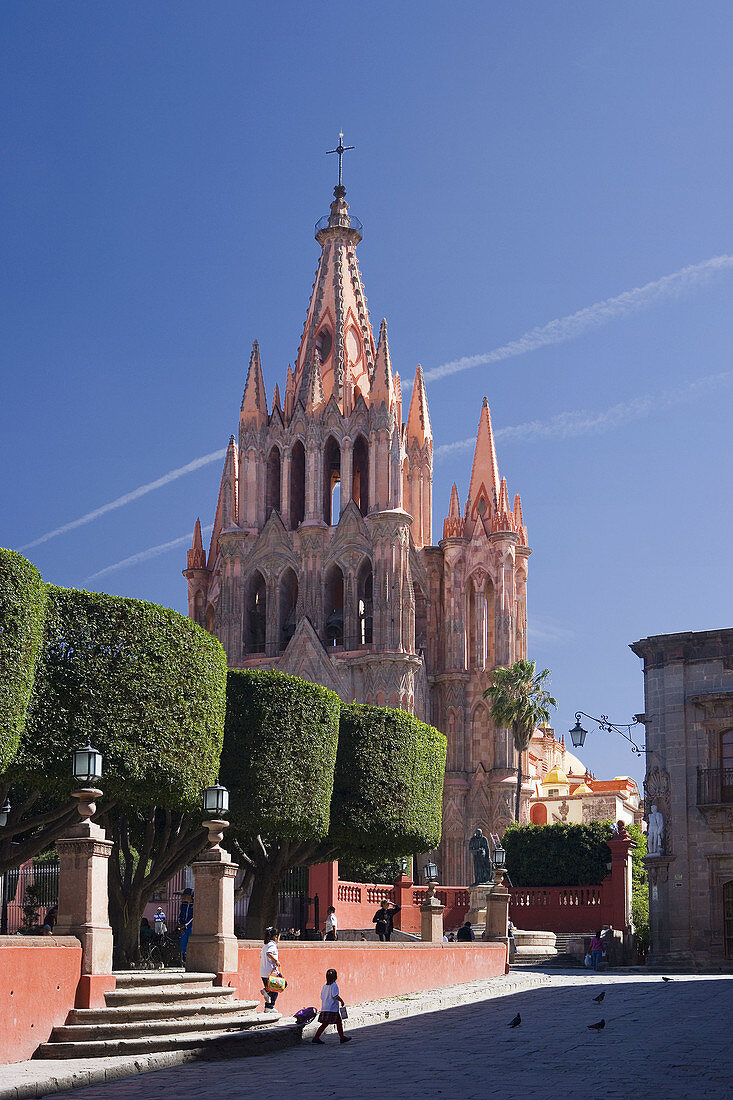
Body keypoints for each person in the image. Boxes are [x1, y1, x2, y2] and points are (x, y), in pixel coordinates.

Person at [312, 969, 351, 1045]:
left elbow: (321, 996)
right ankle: (342, 1037)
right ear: (335, 977)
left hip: (325, 1007)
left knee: (325, 1023)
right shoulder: (334, 985)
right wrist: (341, 1001)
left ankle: (316, 1037)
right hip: (332, 1008)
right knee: (338, 1022)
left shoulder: (324, 986)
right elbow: (335, 995)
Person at [260, 927, 283, 1011]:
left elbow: (261, 955)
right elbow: (269, 953)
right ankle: (265, 992)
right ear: (276, 936)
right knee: (276, 989)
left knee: (272, 991)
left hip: (263, 971)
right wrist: (276, 961)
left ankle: (268, 1007)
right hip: (270, 972)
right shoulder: (272, 945)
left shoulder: (265, 945)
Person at [177, 889, 194, 961]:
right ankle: (184, 957)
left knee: (191, 943)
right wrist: (180, 925)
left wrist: (186, 925)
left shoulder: (194, 905)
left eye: (185, 895)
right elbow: (180, 915)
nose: (183, 897)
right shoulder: (183, 905)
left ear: (190, 896)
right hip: (183, 928)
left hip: (190, 927)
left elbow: (193, 917)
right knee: (183, 944)